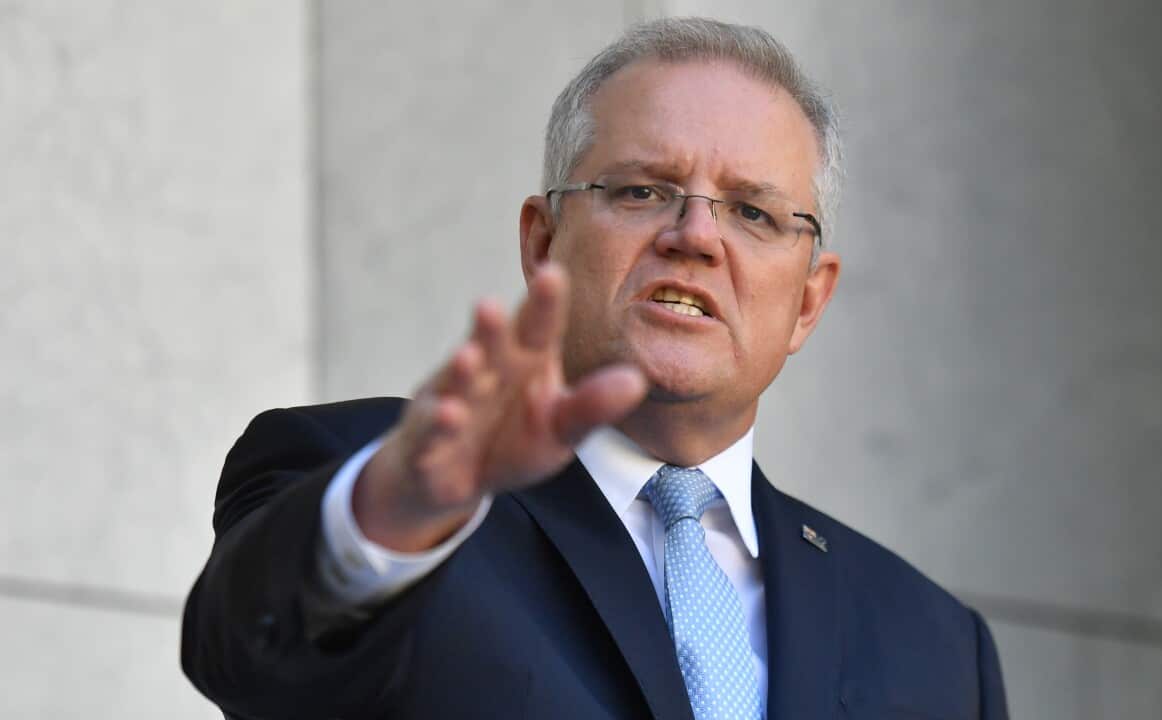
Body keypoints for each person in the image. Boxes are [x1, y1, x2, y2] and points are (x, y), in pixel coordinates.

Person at [182, 17, 1008, 720]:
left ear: (807, 303)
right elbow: (247, 656)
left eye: (753, 211)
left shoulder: (934, 646)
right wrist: (396, 512)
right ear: (543, 243)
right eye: (644, 191)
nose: (697, 235)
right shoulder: (368, 482)